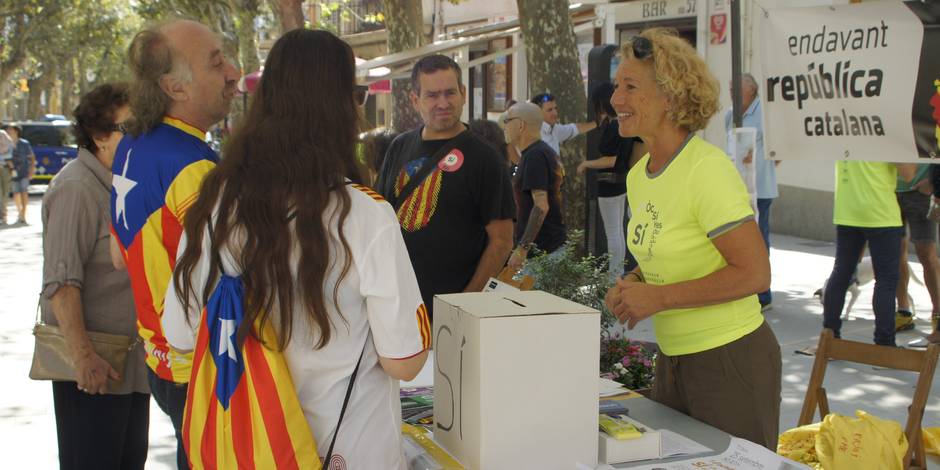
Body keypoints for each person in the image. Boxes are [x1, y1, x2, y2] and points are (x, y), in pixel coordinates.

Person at [163, 29, 430, 468]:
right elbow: (405, 362)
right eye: (356, 95)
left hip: (251, 451)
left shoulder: (214, 204)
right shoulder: (366, 214)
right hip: (347, 452)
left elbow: (179, 333)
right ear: (339, 108)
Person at [603, 28, 781, 450]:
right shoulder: (639, 175)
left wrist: (659, 298)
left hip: (731, 359)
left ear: (670, 96)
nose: (615, 99)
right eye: (616, 86)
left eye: (630, 87)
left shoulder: (706, 170)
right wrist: (636, 282)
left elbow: (755, 274)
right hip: (674, 359)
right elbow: (667, 249)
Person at [109, 19, 239, 470]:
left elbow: (117, 253)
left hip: (160, 360)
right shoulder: (193, 169)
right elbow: (236, 276)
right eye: (216, 63)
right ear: (174, 87)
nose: (234, 72)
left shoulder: (133, 146)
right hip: (202, 367)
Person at [41, 83, 150, 470]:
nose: (141, 136)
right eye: (130, 128)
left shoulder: (121, 184)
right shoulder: (76, 187)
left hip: (129, 367)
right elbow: (61, 284)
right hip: (92, 370)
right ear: (100, 135)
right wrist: (83, 357)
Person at [375, 54, 515, 318]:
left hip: (452, 314)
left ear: (463, 93)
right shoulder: (399, 147)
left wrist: (462, 305)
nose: (443, 103)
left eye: (450, 93)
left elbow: (502, 241)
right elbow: (380, 218)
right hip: (398, 307)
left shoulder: (485, 158)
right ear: (415, 100)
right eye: (432, 95)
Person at [822, 159, 916, 348]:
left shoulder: (844, 136)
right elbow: (908, 174)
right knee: (886, 281)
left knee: (841, 274)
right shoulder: (889, 139)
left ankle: (829, 338)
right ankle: (884, 344)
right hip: (881, 213)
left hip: (847, 210)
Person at [724, 73, 778, 311]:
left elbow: (777, 150)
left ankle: (763, 293)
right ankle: (745, 289)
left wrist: (759, 164)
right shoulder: (730, 115)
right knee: (738, 241)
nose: (731, 93)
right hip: (736, 189)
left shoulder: (765, 114)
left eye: (735, 88)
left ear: (751, 91)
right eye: (730, 88)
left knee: (759, 240)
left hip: (761, 189)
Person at [577, 82, 642, 278]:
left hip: (609, 184)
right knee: (618, 231)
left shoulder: (613, 126)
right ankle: (617, 271)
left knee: (613, 231)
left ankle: (614, 274)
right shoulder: (619, 124)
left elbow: (612, 159)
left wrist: (586, 164)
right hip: (621, 183)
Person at [503, 102, 567, 272]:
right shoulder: (537, 153)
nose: (504, 126)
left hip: (543, 255)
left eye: (507, 121)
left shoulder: (535, 156)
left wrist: (522, 248)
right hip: (545, 253)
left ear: (521, 125)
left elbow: (541, 206)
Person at [895, 164, 940, 344]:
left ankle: (938, 315)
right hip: (888, 191)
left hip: (920, 192)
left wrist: (933, 182)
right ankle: (903, 312)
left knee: (926, 254)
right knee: (895, 252)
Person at [530, 92, 596, 155]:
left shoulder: (555, 129)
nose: (555, 113)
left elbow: (575, 128)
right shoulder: (531, 134)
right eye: (550, 110)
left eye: (555, 108)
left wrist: (597, 122)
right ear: (537, 112)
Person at [5, 123, 36, 224]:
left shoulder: (24, 143)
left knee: (24, 192)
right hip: (12, 172)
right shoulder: (6, 143)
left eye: (10, 129)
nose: (8, 131)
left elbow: (32, 157)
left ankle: (23, 214)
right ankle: (19, 212)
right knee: (16, 193)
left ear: (16, 131)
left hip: (24, 171)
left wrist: (32, 170)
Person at [0, 127, 12, 225]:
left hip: (5, 168)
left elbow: (10, 153)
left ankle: (4, 215)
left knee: (5, 192)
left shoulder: (3, 134)